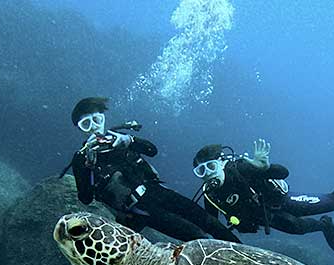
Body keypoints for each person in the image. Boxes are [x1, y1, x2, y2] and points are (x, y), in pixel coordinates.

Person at [68, 97, 240, 243]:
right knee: (195, 234)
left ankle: (247, 255)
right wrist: (86, 166)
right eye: (86, 124)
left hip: (158, 190)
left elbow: (152, 150)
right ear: (79, 128)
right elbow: (85, 198)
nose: (93, 127)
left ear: (104, 118)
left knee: (209, 221)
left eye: (97, 119)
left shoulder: (120, 139)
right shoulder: (81, 158)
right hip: (139, 208)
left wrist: (129, 140)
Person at [192, 139, 334, 253]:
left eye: (210, 167)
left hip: (284, 201)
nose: (207, 175)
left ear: (222, 162)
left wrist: (263, 167)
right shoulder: (210, 194)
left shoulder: (241, 168)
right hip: (266, 217)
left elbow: (282, 172)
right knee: (298, 229)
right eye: (200, 172)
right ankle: (324, 226)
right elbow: (212, 223)